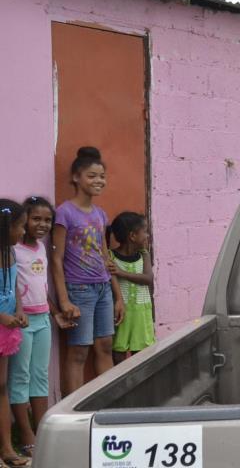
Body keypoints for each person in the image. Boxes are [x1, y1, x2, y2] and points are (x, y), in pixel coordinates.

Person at [50, 147, 124, 396]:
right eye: (92, 176)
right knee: (79, 351)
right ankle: (74, 414)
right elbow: (56, 259)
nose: (98, 181)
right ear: (76, 178)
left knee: (104, 346)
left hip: (103, 289)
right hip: (79, 290)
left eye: (102, 176)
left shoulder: (100, 214)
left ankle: (107, 404)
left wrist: (118, 296)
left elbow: (105, 256)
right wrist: (64, 300)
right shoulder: (64, 212)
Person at [10, 197, 74, 458]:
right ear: (24, 220)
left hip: (43, 319)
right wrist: (19, 311)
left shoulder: (40, 248)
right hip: (21, 322)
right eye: (36, 218)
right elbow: (11, 286)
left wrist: (55, 312)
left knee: (40, 377)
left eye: (47, 220)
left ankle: (42, 431)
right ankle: (25, 435)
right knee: (20, 377)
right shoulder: (14, 250)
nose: (42, 224)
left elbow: (42, 286)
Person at [0, 199, 28, 467]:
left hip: (6, 329)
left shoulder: (11, 254)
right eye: (20, 226)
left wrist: (19, 311)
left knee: (1, 387)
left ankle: (7, 449)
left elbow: (15, 288)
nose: (23, 231)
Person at [107, 212, 155, 364]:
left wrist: (121, 272)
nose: (147, 235)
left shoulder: (144, 255)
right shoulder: (111, 257)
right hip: (122, 314)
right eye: (145, 231)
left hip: (141, 313)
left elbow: (147, 279)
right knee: (119, 353)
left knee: (141, 356)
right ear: (133, 236)